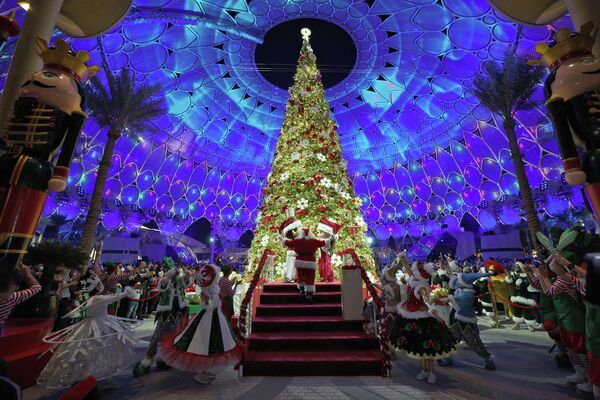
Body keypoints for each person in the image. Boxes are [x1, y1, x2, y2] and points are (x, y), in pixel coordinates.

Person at [37, 288, 141, 389]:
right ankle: (89, 382)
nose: (101, 285)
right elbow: (113, 298)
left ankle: (102, 380)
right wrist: (126, 292)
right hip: (98, 328)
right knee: (96, 353)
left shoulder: (91, 299)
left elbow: (108, 298)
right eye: (99, 284)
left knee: (103, 353)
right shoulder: (98, 298)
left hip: (95, 325)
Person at [159, 265, 243, 384]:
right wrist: (208, 301)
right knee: (203, 346)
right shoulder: (208, 289)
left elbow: (214, 302)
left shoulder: (213, 288)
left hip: (215, 317)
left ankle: (206, 371)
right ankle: (202, 372)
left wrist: (210, 301)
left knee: (211, 345)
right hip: (209, 318)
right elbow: (209, 304)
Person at [392, 255, 457, 384]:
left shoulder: (420, 286)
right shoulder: (414, 280)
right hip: (413, 317)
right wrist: (403, 260)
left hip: (423, 319)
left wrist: (432, 310)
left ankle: (431, 371)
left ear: (420, 274)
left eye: (415, 270)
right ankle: (424, 370)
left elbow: (427, 301)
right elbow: (409, 271)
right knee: (418, 346)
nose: (411, 271)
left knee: (427, 348)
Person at [133, 258, 192, 377]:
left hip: (178, 310)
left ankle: (165, 358)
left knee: (174, 335)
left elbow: (188, 282)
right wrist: (170, 275)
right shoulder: (165, 279)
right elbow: (162, 286)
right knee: (158, 334)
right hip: (166, 311)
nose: (175, 271)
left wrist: (184, 270)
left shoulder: (180, 279)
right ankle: (148, 359)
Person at [447, 263, 496, 370]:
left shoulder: (468, 294)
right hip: (457, 320)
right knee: (451, 339)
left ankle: (488, 359)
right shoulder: (460, 290)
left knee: (474, 342)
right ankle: (446, 357)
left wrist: (447, 299)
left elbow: (459, 303)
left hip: (465, 322)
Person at [284, 227, 328, 304]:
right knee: (310, 276)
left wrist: (282, 239)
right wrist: (331, 239)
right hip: (310, 260)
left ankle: (301, 288)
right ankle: (309, 294)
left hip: (300, 260)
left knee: (300, 274)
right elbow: (323, 243)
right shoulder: (314, 240)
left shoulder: (297, 240)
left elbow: (288, 243)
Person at [0, 262, 41, 332]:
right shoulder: (12, 298)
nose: (16, 288)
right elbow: (37, 287)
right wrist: (26, 272)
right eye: (15, 284)